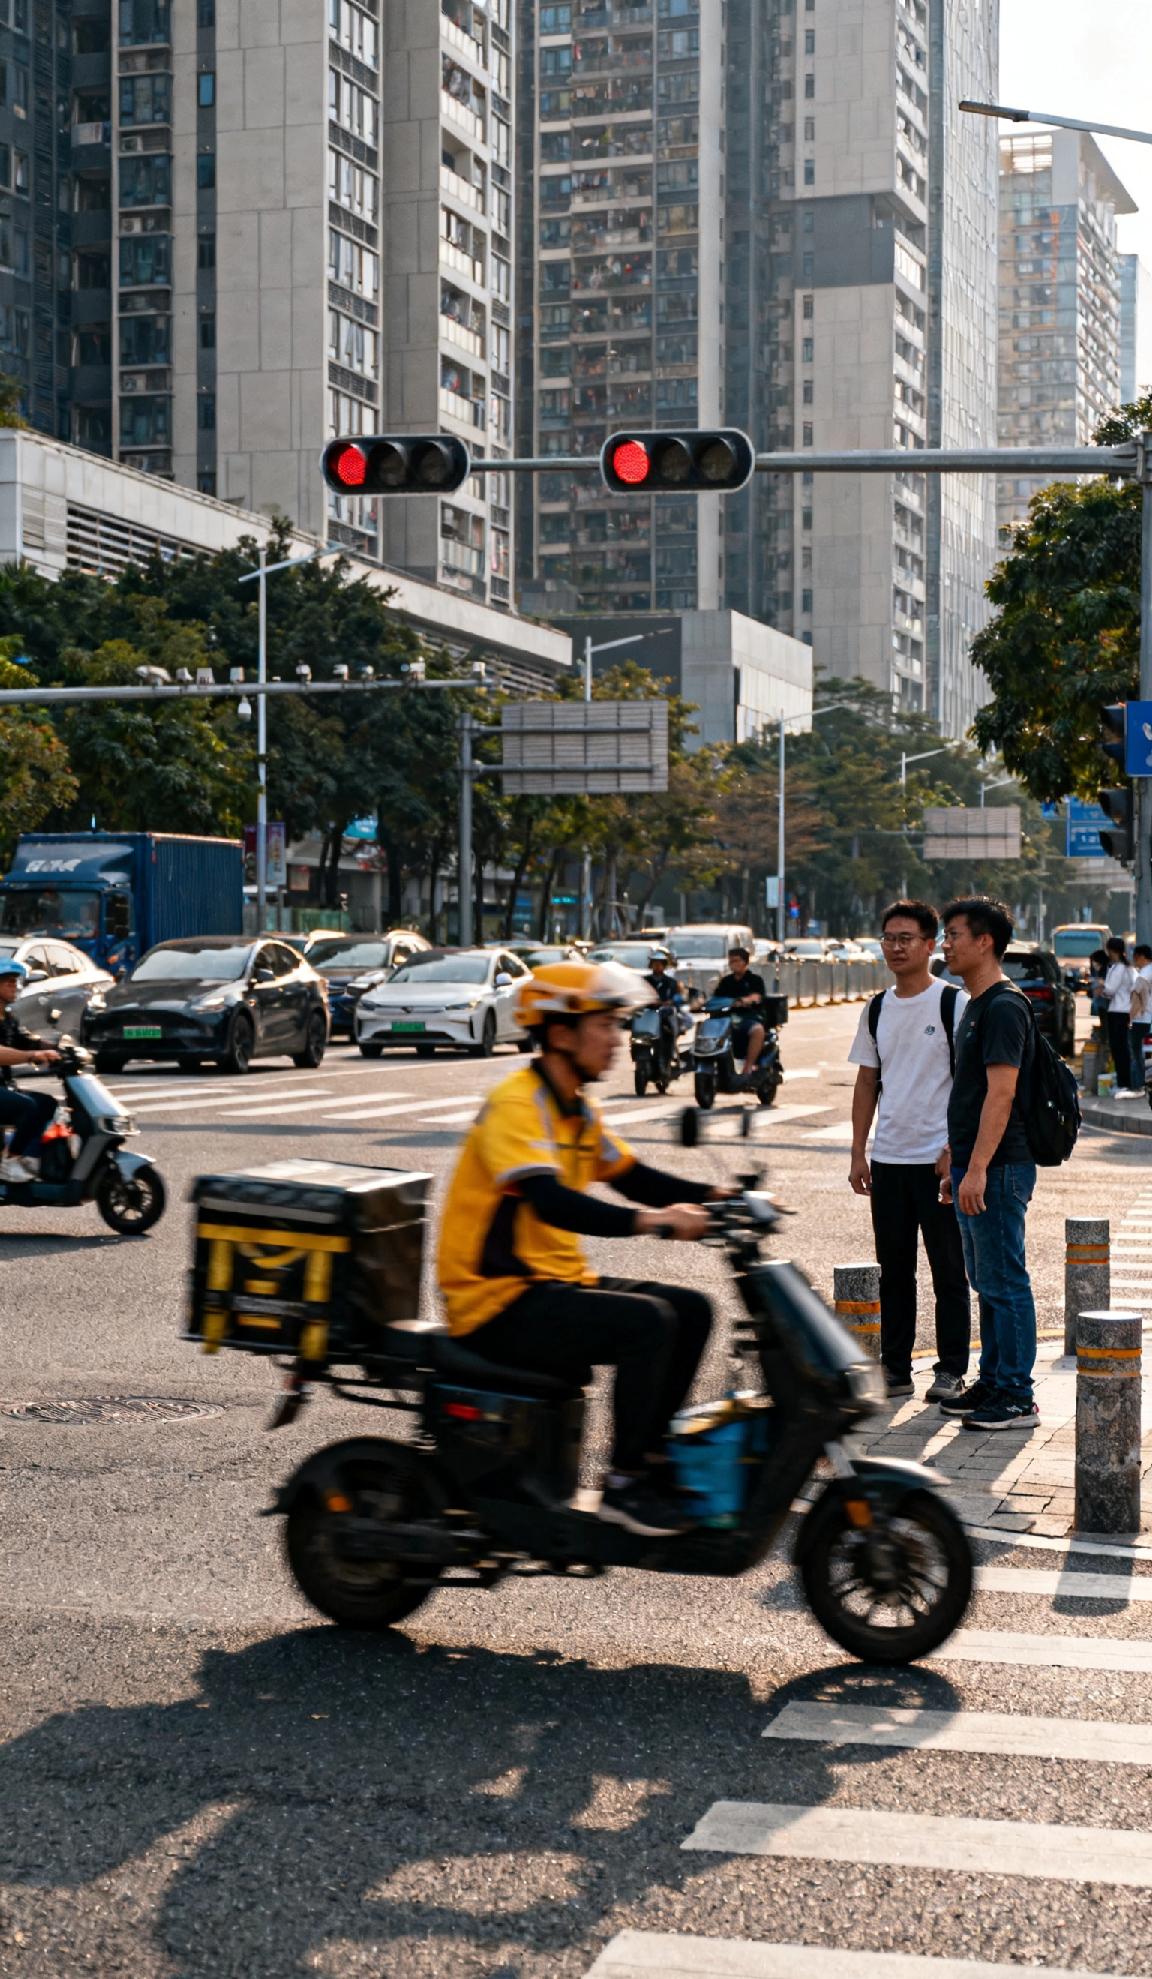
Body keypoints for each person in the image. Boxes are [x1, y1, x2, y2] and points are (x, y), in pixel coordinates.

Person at [437, 960, 722, 1538]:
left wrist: (720, 1197)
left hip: (549, 1283)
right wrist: (655, 1222)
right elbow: (551, 1202)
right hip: (494, 1299)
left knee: (693, 1310)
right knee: (647, 1324)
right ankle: (624, 1483)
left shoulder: (572, 1106)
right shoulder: (519, 1104)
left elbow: (632, 1176)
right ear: (562, 1033)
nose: (617, 1040)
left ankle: (651, 1462)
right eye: (605, 1026)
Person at [848, 899, 970, 1404]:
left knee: (949, 1272)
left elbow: (973, 1084)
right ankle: (895, 1369)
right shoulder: (877, 1008)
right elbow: (867, 1082)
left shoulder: (953, 1004)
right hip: (890, 1159)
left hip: (937, 1162)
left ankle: (952, 1370)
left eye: (906, 939)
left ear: (929, 944)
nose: (896, 947)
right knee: (894, 1272)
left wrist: (954, 1147)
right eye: (889, 938)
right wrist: (859, 1151)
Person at [937, 897, 1038, 1433]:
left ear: (985, 941)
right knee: (987, 1281)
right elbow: (972, 1093)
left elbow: (1002, 1094)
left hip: (998, 1168)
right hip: (975, 1163)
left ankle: (1017, 1396)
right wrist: (955, 1155)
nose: (945, 944)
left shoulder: (1003, 1006)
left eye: (953, 934)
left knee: (1005, 1281)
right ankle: (995, 1379)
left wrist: (976, 1168)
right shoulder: (976, 1004)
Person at [0, 958, 61, 1183]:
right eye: (8, 982)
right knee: (28, 1107)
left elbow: (25, 1040)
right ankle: (9, 1162)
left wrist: (56, 1048)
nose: (14, 986)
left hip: (4, 1086)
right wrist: (31, 1056)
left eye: (15, 982)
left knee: (47, 1103)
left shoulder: (7, 1017)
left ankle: (25, 1156)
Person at [712, 945, 768, 1083]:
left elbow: (757, 997)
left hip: (748, 1017)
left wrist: (745, 1000)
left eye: (736, 960)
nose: (733, 964)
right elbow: (716, 999)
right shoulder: (725, 982)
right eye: (731, 961)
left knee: (757, 1030)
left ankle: (747, 1069)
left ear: (745, 962)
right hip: (726, 1019)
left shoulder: (755, 980)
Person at [1103, 936, 1138, 1096]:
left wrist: (1101, 987)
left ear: (1111, 950)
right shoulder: (1129, 968)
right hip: (1125, 1011)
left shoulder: (1119, 968)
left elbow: (1110, 990)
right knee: (1123, 1048)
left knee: (1119, 1049)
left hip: (1117, 1011)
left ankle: (1123, 1083)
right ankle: (1125, 1082)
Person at [643, 946, 688, 1062]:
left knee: (672, 1026)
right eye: (655, 963)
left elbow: (679, 997)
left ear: (664, 965)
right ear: (651, 964)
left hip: (665, 1014)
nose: (657, 966)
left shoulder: (671, 982)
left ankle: (672, 1050)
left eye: (660, 963)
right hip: (648, 1014)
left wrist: (671, 1001)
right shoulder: (644, 981)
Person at [1129, 944, 1152, 1093]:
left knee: (1139, 1054)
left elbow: (1137, 1000)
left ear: (1142, 957)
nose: (1134, 960)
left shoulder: (1143, 974)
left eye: (1135, 957)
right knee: (1148, 1054)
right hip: (1149, 1019)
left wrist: (1129, 1018)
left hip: (1142, 1019)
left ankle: (1141, 1085)